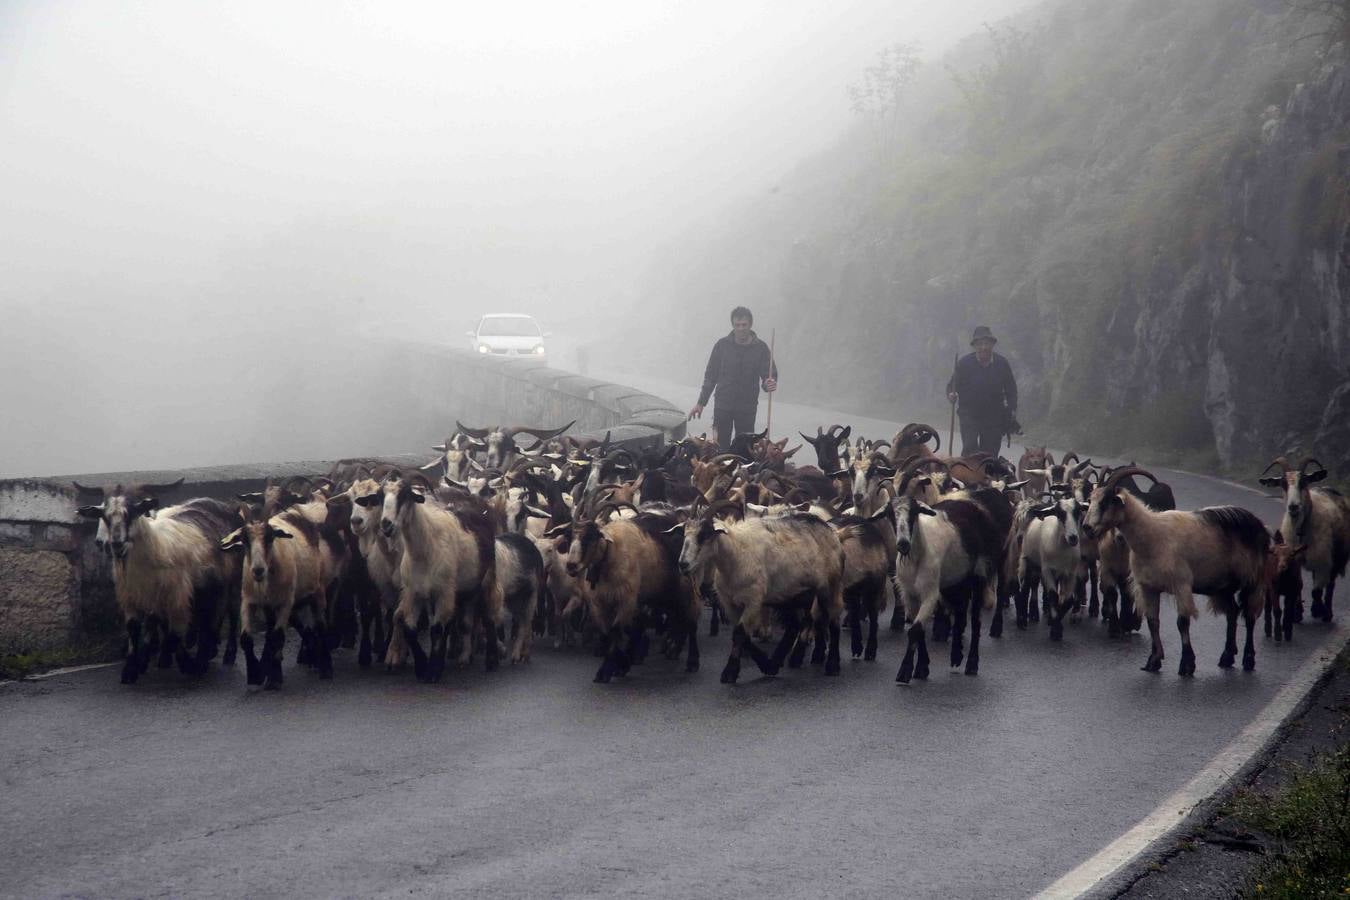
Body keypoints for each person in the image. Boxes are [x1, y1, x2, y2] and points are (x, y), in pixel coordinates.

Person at [688, 306, 778, 446]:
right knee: (720, 448)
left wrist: (769, 383)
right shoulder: (722, 346)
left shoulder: (761, 348)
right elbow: (711, 376)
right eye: (737, 325)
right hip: (723, 406)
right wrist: (701, 403)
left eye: (744, 325)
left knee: (745, 449)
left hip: (747, 408)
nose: (741, 328)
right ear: (733, 325)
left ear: (750, 325)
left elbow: (769, 375)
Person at [946, 325, 1017, 457]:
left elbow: (1011, 389)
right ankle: (967, 477)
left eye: (987, 343)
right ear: (975, 346)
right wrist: (951, 394)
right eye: (980, 344)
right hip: (969, 415)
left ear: (992, 345)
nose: (984, 347)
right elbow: (952, 386)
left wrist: (1012, 410)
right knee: (970, 450)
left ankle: (987, 477)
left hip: (994, 416)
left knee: (989, 455)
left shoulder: (1002, 364)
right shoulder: (964, 364)